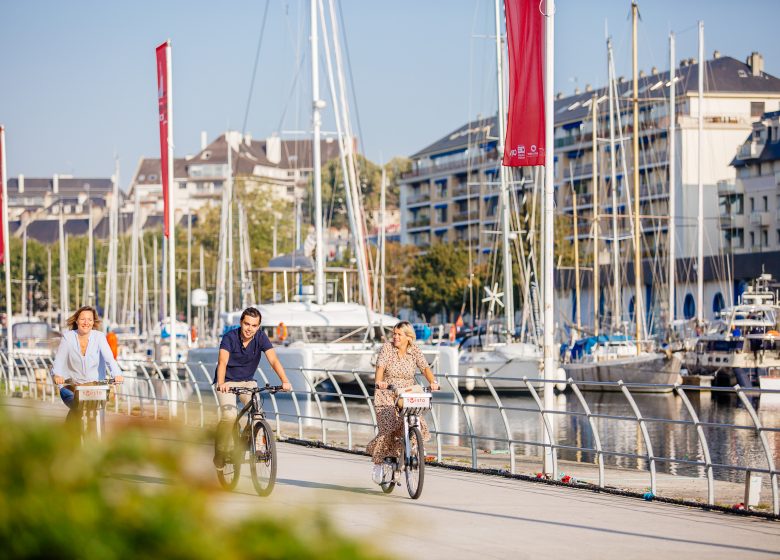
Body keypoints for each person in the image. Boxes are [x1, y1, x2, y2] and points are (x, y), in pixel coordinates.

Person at [213, 307, 292, 468]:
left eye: (254, 325)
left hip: (247, 382)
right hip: (227, 382)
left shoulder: (261, 338)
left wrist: (285, 381)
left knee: (258, 414)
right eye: (247, 324)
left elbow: (274, 360)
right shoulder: (229, 338)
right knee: (229, 416)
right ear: (241, 323)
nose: (250, 329)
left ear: (259, 326)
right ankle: (221, 450)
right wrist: (221, 383)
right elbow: (222, 362)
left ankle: (260, 448)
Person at [366, 320, 439, 484]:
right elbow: (380, 368)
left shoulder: (414, 351)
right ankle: (379, 463)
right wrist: (380, 382)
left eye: (399, 334)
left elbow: (425, 368)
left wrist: (433, 382)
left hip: (407, 391)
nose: (395, 337)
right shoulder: (387, 348)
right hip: (387, 391)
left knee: (416, 420)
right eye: (394, 333)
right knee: (388, 427)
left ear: (408, 337)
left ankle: (413, 449)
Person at [51, 306, 124, 423]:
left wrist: (117, 374)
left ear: (93, 322)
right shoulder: (68, 337)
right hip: (71, 386)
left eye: (90, 319)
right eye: (83, 319)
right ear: (76, 321)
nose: (86, 322)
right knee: (77, 407)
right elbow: (59, 361)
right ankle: (70, 436)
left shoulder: (99, 337)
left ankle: (98, 439)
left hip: (95, 386)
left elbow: (109, 359)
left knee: (98, 414)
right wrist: (57, 375)